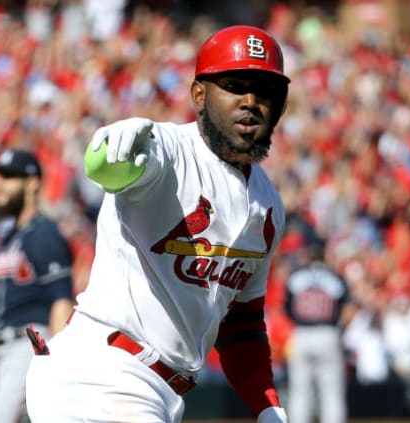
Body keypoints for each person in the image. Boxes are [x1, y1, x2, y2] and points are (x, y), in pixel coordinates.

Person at [26, 25, 291, 423]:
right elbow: (113, 170)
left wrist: (267, 405)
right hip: (103, 374)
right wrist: (108, 151)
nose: (251, 101)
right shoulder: (170, 151)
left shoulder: (269, 206)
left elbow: (241, 325)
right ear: (199, 94)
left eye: (264, 90)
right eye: (234, 85)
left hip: (153, 392)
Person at [0, 149, 75, 423]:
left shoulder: (43, 233)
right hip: (3, 346)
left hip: (31, 340)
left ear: (32, 183)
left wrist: (55, 361)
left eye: (9, 177)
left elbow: (61, 300)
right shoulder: (9, 236)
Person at [283, 240, 352, 423]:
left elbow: (287, 309)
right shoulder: (335, 277)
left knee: (300, 391)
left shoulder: (296, 276)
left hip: (302, 333)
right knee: (331, 392)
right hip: (328, 333)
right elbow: (347, 310)